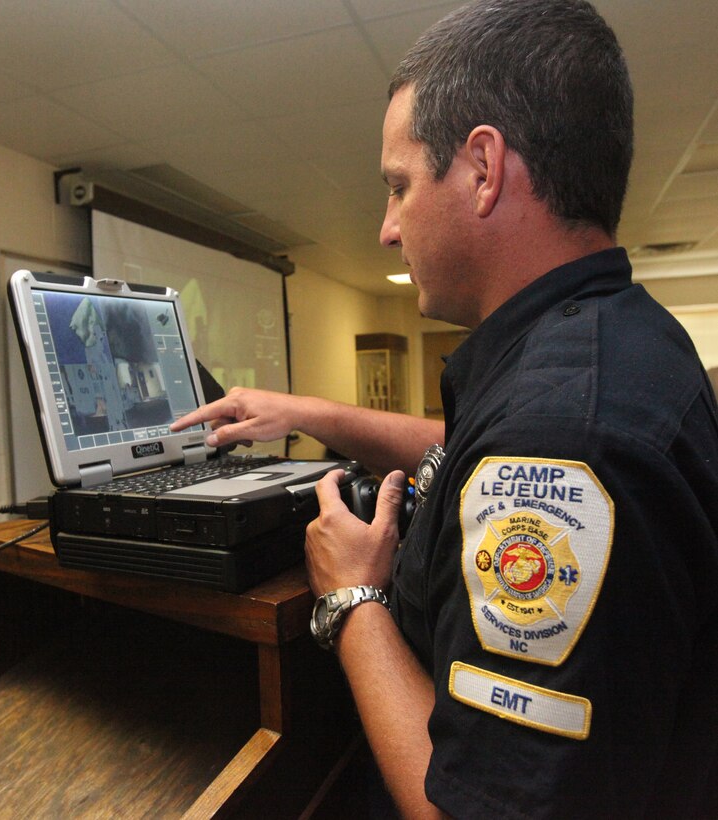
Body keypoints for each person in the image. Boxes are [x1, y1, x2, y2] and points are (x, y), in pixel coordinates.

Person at [171, 1, 718, 816]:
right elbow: (466, 450)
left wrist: (350, 599)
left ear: (483, 168)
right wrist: (305, 409)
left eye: (397, 187)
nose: (387, 229)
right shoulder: (607, 347)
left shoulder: (560, 436)